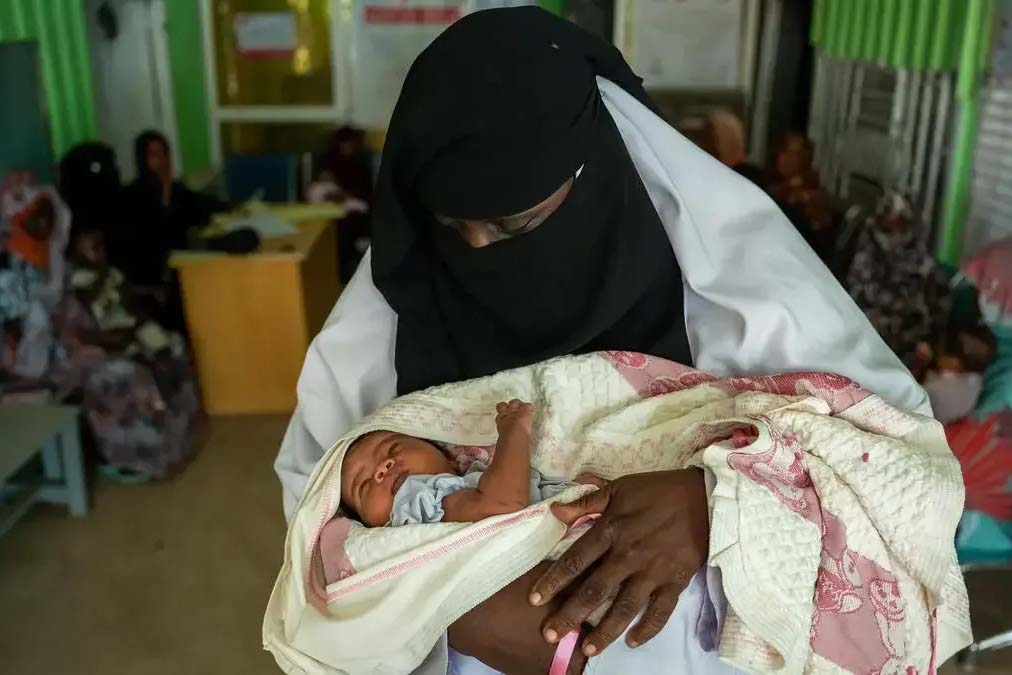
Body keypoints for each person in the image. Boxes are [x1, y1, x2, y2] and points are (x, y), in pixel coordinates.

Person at [274, 8, 930, 675]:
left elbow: (904, 475)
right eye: (452, 226)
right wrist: (448, 611)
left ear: (598, 168)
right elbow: (316, 521)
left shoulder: (747, 299)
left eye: (514, 222)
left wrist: (716, 505)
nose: (477, 252)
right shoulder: (390, 319)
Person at [54, 227, 201, 480]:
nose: (101, 254)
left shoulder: (111, 274)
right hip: (99, 344)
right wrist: (127, 340)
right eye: (93, 248)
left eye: (102, 247)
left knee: (172, 347)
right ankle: (138, 457)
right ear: (75, 253)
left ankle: (178, 439)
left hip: (126, 329)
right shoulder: (77, 285)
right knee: (135, 372)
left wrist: (142, 328)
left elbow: (130, 306)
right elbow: (85, 332)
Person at [112, 130, 229, 288]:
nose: (162, 160)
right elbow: (159, 232)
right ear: (142, 159)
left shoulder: (177, 189)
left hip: (186, 259)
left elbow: (201, 206)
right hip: (154, 272)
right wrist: (164, 191)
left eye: (165, 154)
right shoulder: (130, 196)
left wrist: (235, 206)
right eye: (155, 155)